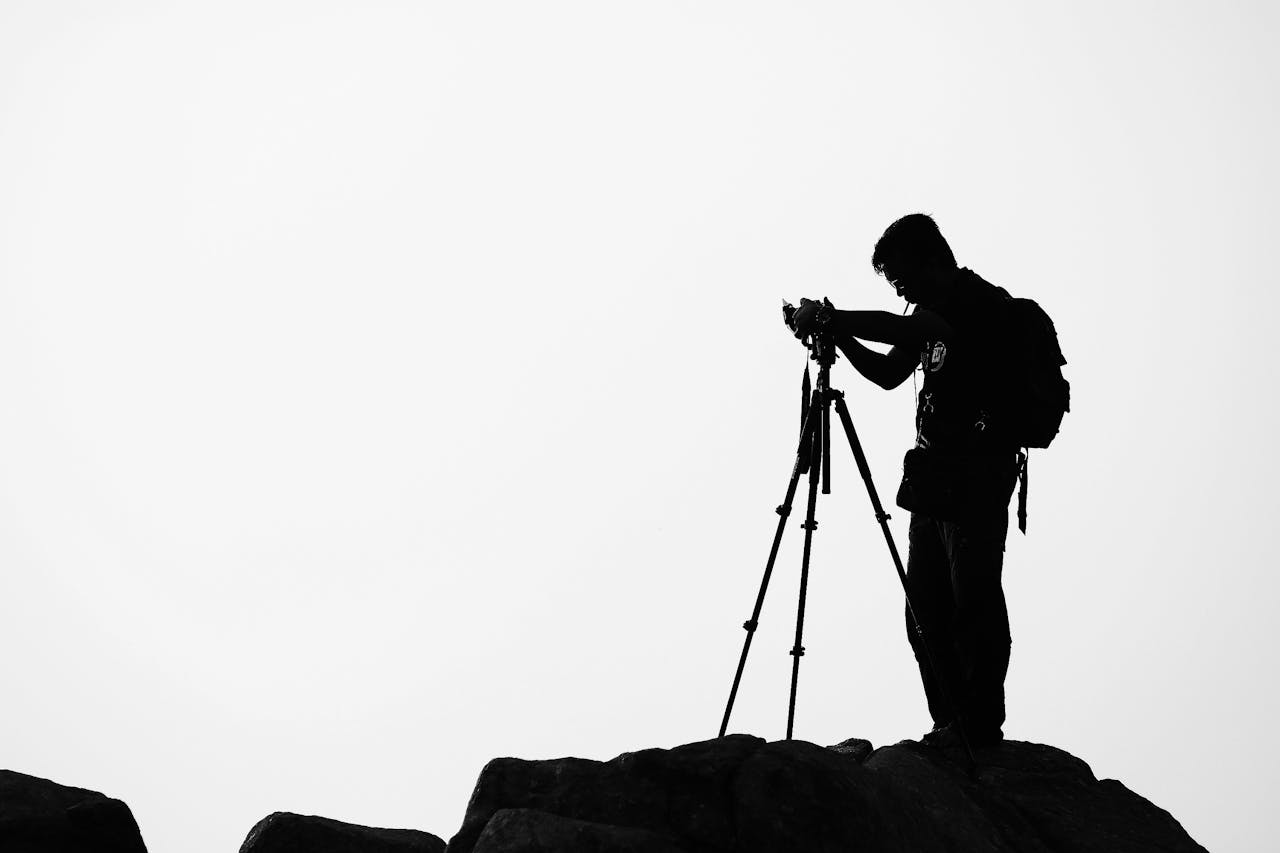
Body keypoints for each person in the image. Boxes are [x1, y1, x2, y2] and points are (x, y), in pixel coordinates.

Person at [789, 213, 1021, 748]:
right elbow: (891, 374)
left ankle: (981, 724)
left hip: (978, 475)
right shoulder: (925, 310)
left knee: (974, 601)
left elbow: (912, 332)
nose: (899, 291)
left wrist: (834, 316)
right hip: (936, 476)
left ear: (930, 259)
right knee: (925, 611)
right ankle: (950, 723)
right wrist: (837, 335)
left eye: (900, 277)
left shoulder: (971, 302)